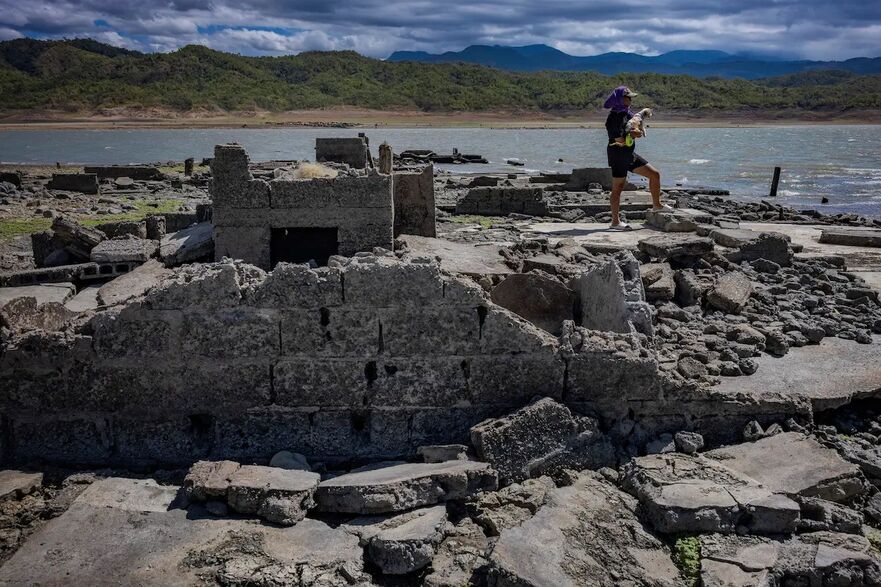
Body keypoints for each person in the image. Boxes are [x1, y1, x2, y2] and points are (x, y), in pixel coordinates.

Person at [603, 85, 670, 230]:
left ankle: (657, 205)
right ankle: (615, 222)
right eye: (628, 97)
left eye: (631, 97)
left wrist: (637, 131)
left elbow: (634, 127)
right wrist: (632, 135)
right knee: (618, 187)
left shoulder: (627, 114)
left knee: (655, 174)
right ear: (620, 99)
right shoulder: (613, 118)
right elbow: (618, 140)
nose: (630, 100)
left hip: (628, 154)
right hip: (618, 155)